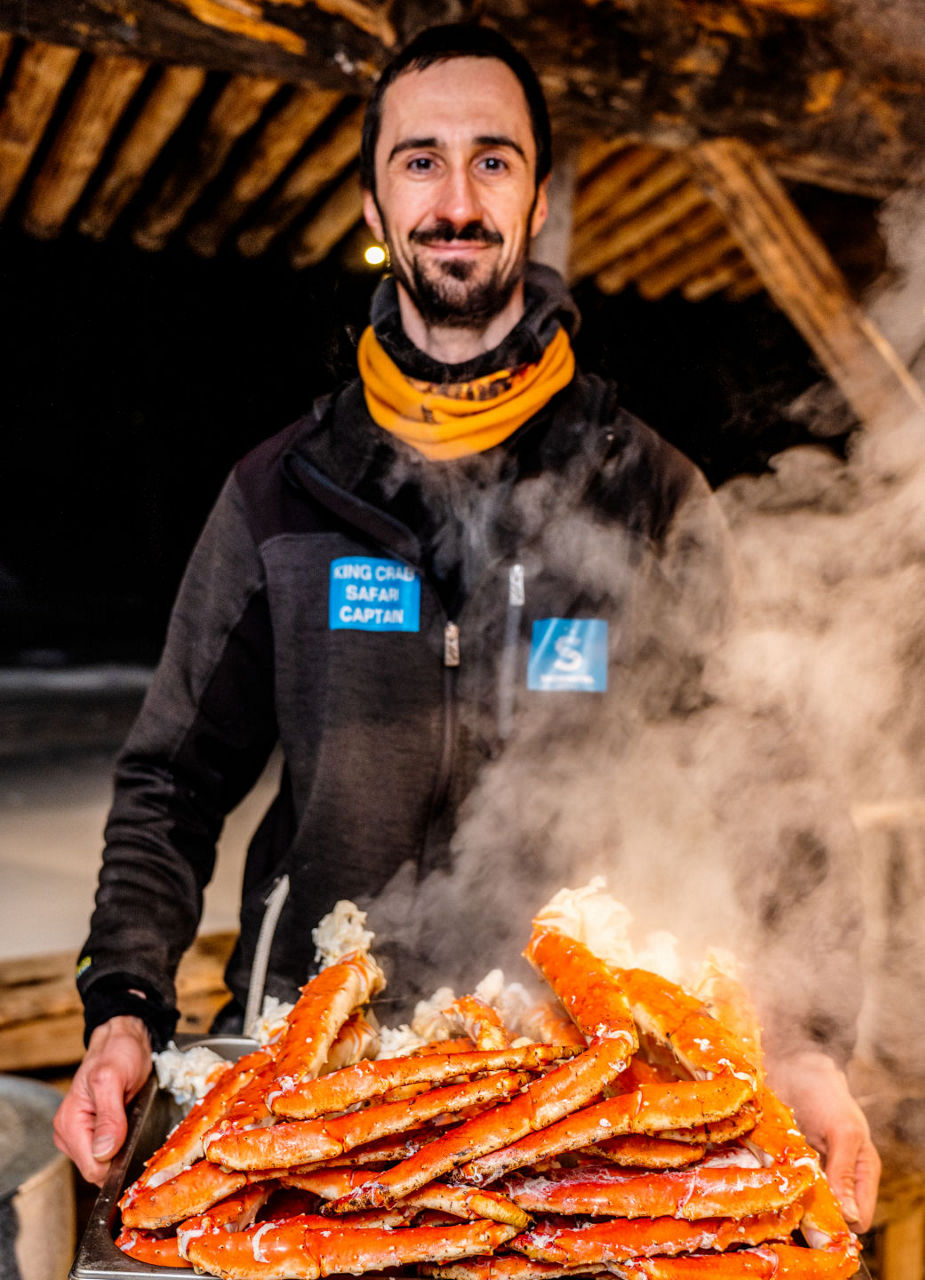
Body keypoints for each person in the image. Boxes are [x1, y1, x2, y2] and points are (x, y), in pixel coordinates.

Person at [53, 22, 880, 1229]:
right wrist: (124, 1010)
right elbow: (171, 782)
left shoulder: (645, 494)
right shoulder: (280, 493)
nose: (455, 197)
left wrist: (806, 1045)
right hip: (311, 1070)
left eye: (492, 161)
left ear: (538, 197)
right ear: (376, 195)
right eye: (421, 159)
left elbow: (769, 780)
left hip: (572, 1090)